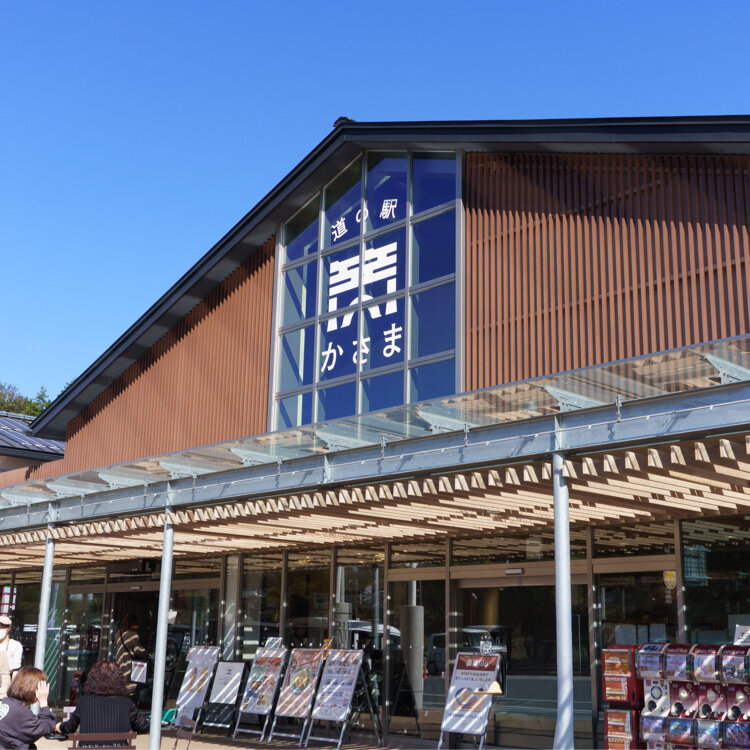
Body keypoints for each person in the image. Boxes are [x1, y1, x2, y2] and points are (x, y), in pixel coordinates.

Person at [57, 661, 149, 737]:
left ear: (93, 680)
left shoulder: (84, 702)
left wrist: (58, 726)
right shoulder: (127, 703)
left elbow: (70, 727)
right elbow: (143, 727)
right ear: (119, 681)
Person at [0, 667, 55, 749]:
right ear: (33, 688)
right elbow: (45, 728)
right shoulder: (21, 712)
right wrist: (43, 703)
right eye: (40, 687)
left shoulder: (4, 702)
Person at [113, 614, 147, 697]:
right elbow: (138, 650)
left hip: (119, 664)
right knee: (130, 690)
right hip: (128, 666)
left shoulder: (118, 633)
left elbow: (116, 646)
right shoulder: (133, 635)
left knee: (120, 687)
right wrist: (146, 652)